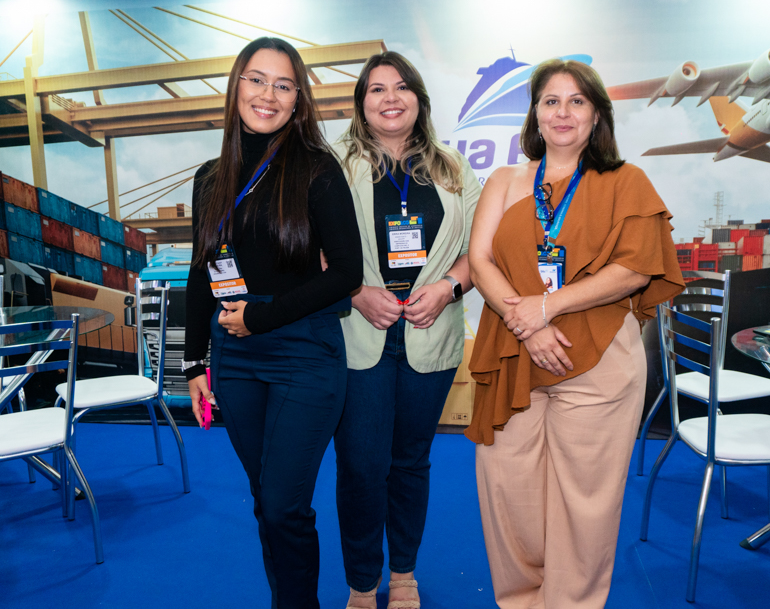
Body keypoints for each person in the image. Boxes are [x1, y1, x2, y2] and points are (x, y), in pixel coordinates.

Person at [466, 59, 684, 609]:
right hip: (514, 353)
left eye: (576, 101)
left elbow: (635, 270)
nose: (563, 113)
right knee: (508, 490)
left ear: (597, 115)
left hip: (601, 361)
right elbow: (481, 260)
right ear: (535, 114)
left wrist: (546, 307)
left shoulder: (627, 182)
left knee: (586, 504)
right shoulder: (504, 181)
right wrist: (526, 325)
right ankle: (521, 600)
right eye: (551, 101)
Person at [182, 37, 363, 609]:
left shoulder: (317, 169)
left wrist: (259, 318)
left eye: (284, 85)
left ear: (298, 99)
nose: (268, 94)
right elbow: (200, 272)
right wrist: (193, 362)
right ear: (236, 87)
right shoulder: (210, 177)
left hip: (303, 351)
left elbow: (348, 273)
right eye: (256, 80)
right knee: (266, 500)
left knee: (285, 504)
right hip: (234, 357)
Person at [334, 51, 482, 609]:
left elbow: (479, 251)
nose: (390, 98)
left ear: (419, 99)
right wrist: (354, 291)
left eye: (402, 87)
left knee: (411, 462)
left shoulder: (454, 168)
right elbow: (310, 244)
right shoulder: (334, 164)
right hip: (358, 333)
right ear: (361, 103)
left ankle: (402, 576)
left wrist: (447, 288)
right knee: (360, 466)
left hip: (432, 333)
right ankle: (361, 582)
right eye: (376, 89)